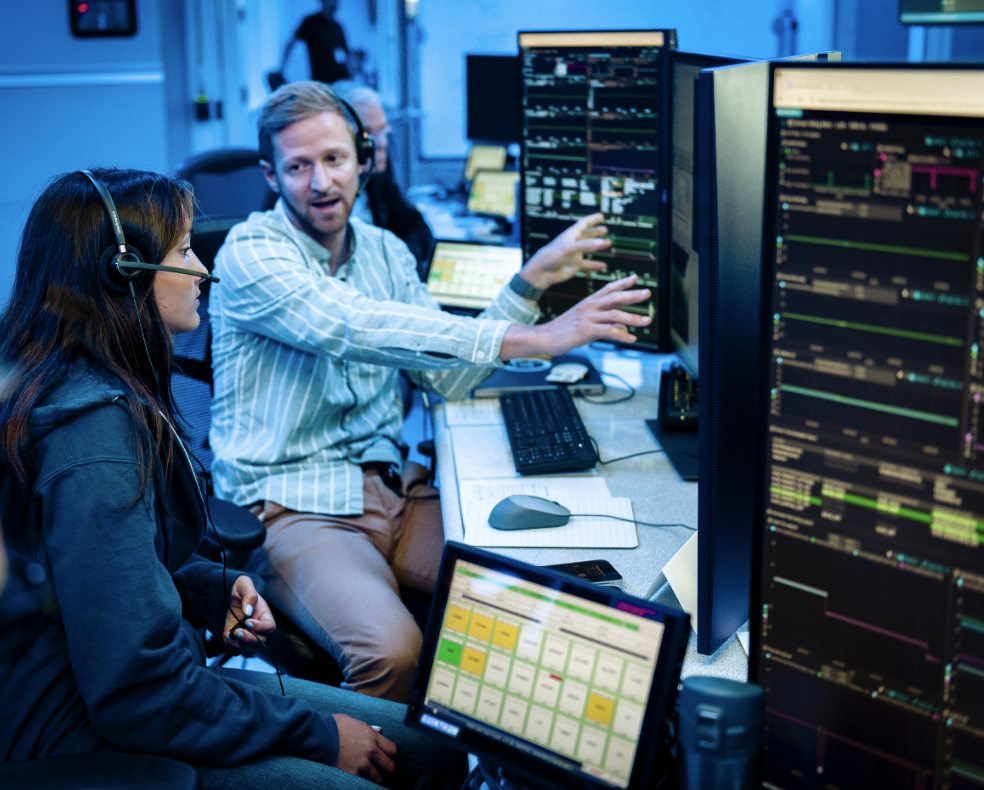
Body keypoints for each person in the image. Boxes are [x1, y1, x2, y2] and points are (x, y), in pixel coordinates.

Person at [0, 167, 466, 789]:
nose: (201, 270)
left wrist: (205, 588)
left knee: (435, 753)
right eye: (185, 251)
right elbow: (138, 692)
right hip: (88, 730)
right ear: (124, 271)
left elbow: (87, 571)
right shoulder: (93, 437)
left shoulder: (92, 380)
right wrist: (318, 735)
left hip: (132, 681)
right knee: (390, 767)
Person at [209, 80, 651, 703]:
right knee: (395, 654)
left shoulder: (386, 252)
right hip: (297, 505)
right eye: (299, 166)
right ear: (271, 176)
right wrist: (538, 337)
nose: (321, 182)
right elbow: (352, 325)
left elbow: (445, 375)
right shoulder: (252, 252)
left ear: (363, 158)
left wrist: (528, 281)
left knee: (550, 599)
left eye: (334, 159)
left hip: (396, 491)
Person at [334, 81, 435, 276]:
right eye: (368, 133)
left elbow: (418, 228)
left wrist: (396, 262)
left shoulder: (376, 180)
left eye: (383, 131)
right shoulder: (320, 195)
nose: (381, 143)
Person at [276, 0, 351, 88]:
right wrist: (281, 69)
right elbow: (290, 44)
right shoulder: (311, 22)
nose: (334, 3)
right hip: (321, 81)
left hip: (341, 80)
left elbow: (347, 54)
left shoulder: (338, 27)